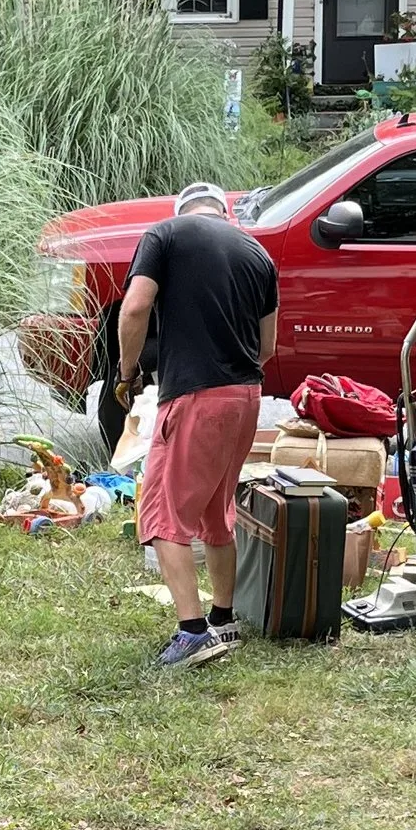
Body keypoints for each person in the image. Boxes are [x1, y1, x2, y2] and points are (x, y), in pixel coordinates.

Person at [112, 178, 278, 667]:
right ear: (223, 213)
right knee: (215, 511)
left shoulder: (165, 234)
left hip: (194, 395)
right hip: (246, 396)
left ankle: (192, 633)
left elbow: (135, 307)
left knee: (162, 515)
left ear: (183, 210)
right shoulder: (258, 254)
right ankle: (224, 619)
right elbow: (268, 346)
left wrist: (127, 371)